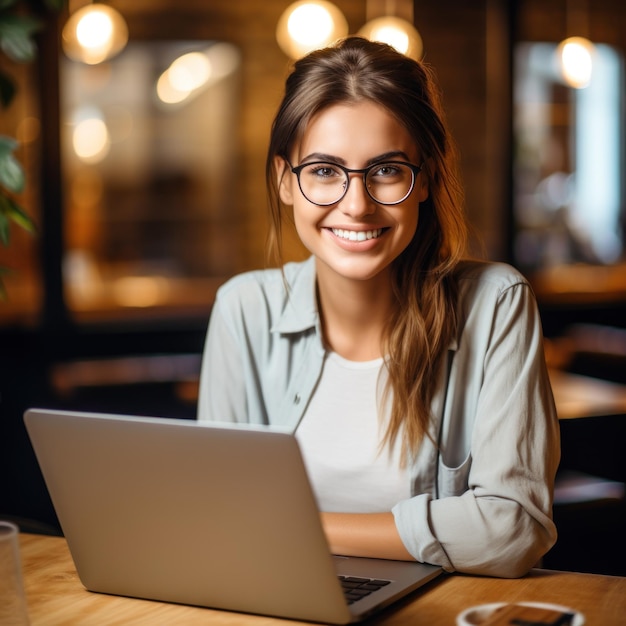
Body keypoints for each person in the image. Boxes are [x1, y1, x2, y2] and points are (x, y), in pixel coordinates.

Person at [198, 36, 559, 578]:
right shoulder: (243, 309)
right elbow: (215, 518)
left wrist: (299, 528)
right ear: (284, 181)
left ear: (425, 180)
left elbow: (513, 530)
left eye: (386, 170)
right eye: (323, 171)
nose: (357, 204)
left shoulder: (495, 304)